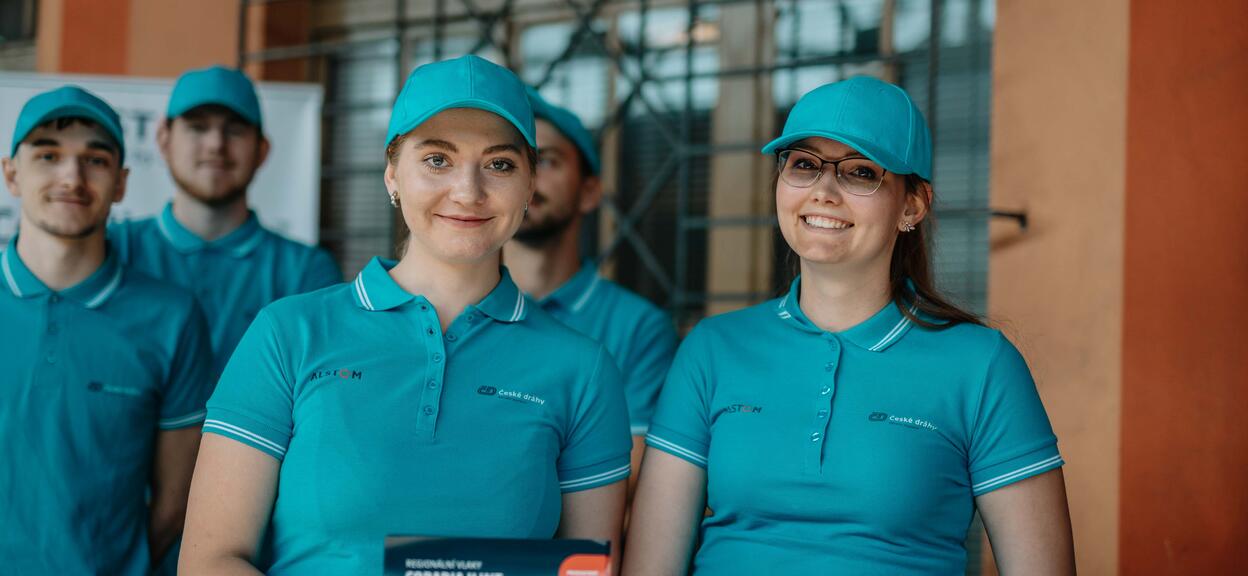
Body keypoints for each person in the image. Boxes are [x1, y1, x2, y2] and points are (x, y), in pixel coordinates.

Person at [180, 55, 632, 576]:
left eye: (500, 164)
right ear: (393, 174)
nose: (467, 191)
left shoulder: (583, 369)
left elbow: (586, 568)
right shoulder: (289, 334)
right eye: (437, 159)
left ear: (530, 185)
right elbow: (210, 560)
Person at [623, 77, 1075, 575]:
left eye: (860, 172)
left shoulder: (982, 365)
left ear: (912, 205)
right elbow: (650, 568)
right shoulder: (712, 349)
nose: (823, 192)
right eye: (803, 165)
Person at [0, 86, 214, 574]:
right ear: (11, 174)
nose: (71, 177)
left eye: (95, 160)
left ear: (120, 183)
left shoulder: (172, 318)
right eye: (48, 155)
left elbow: (175, 501)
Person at [111, 65, 341, 379]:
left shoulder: (305, 271)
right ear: (164, 140)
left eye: (234, 130)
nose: (215, 144)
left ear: (262, 150)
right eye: (197, 127)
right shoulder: (114, 248)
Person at [504, 87, 677, 486]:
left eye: (547, 160)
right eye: (509, 163)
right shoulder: (458, 308)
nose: (528, 178)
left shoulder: (639, 327)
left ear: (589, 192)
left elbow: (627, 475)